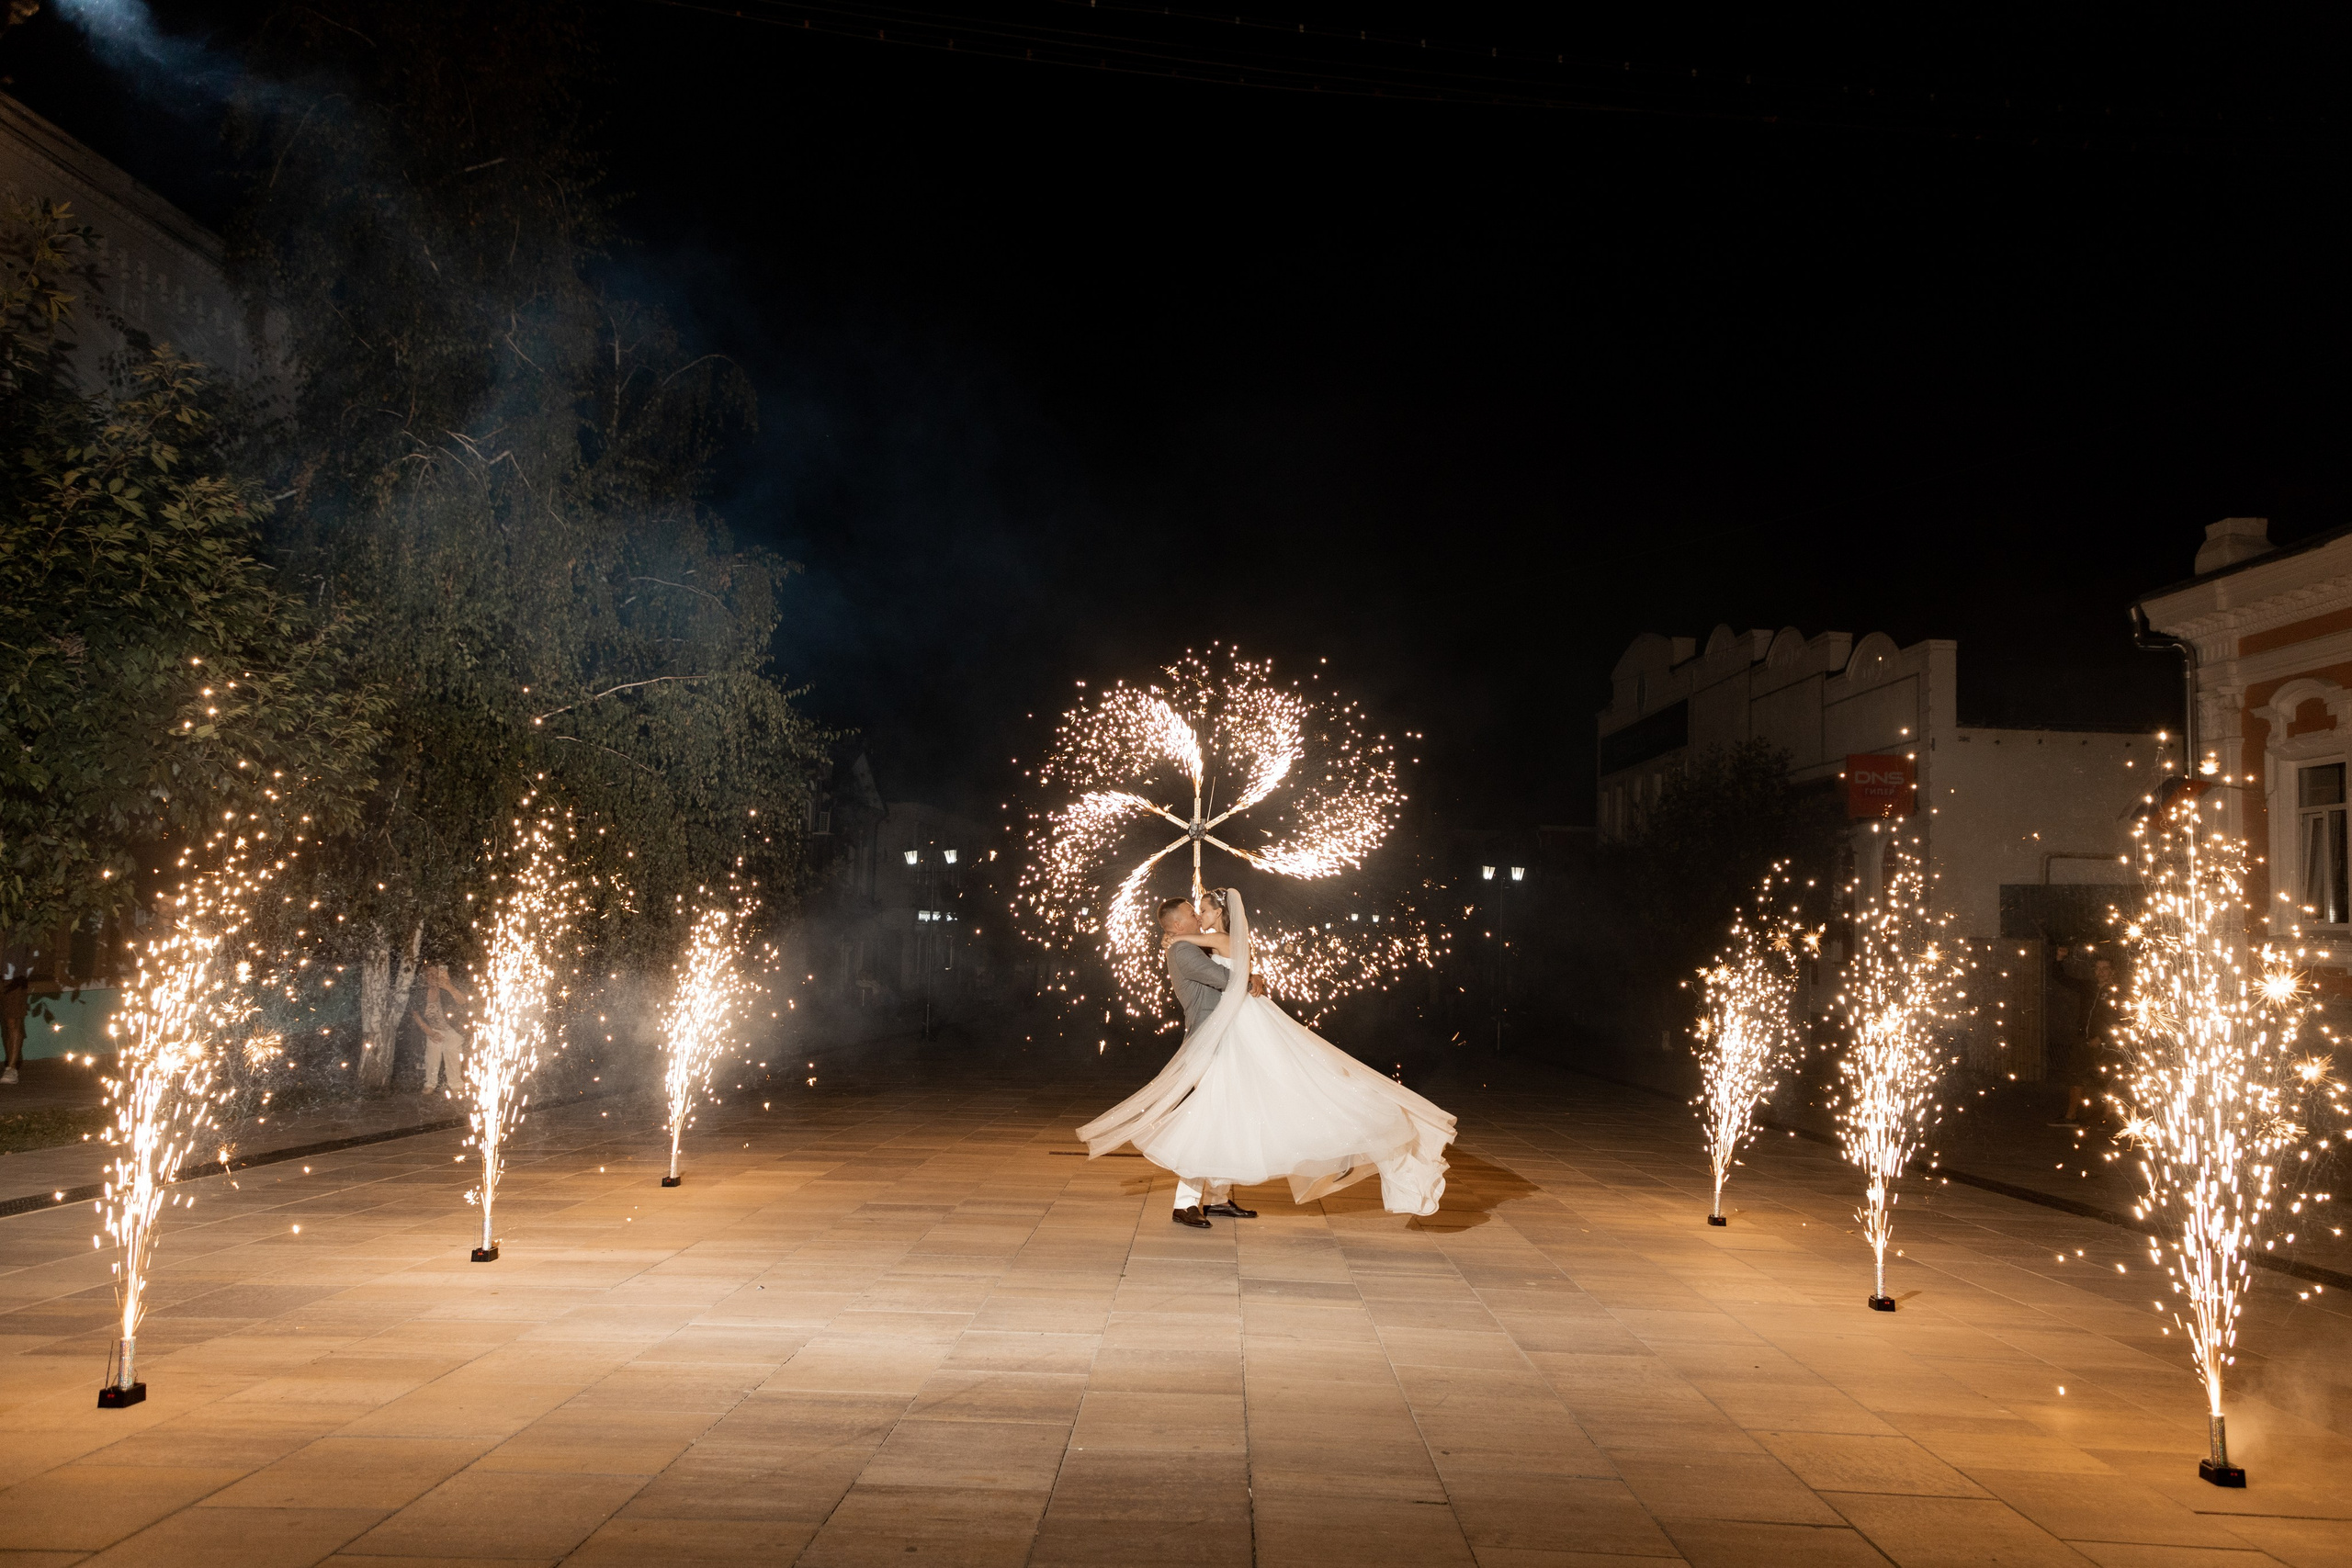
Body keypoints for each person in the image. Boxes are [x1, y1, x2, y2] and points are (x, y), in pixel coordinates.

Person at [1078, 886, 1457, 1227]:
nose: (1199, 915)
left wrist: (1246, 972)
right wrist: (1247, 976)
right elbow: (1224, 977)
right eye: (1193, 913)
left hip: (1231, 1037)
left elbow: (1230, 955)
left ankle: (1218, 1199)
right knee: (1210, 1114)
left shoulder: (1198, 942)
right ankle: (1186, 1202)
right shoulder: (1182, 949)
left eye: (1202, 911)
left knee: (1228, 1115)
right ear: (1178, 923)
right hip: (1209, 1041)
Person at [406, 964, 469, 1096]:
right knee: (432, 1054)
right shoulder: (421, 992)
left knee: (451, 1051)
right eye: (429, 974)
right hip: (433, 1029)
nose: (432, 977)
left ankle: (456, 1085)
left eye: (435, 974)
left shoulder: (447, 989)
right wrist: (430, 1032)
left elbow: (463, 1002)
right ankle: (430, 1084)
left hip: (453, 1029)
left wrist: (449, 986)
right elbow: (415, 1013)